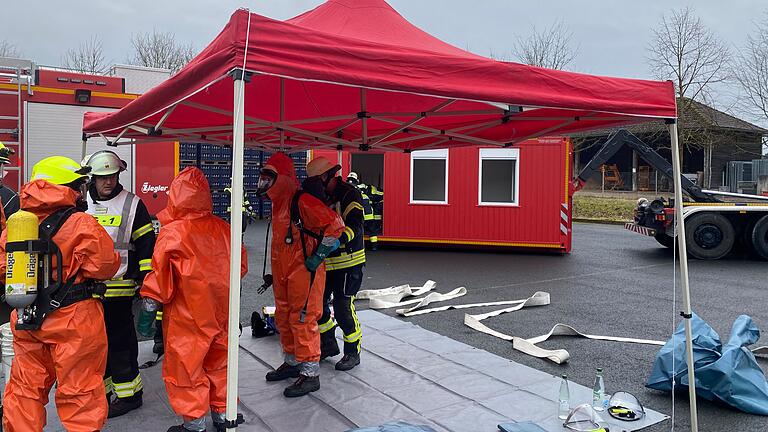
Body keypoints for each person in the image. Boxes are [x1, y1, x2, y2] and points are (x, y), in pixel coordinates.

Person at [0, 156, 120, 431]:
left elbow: (3, 266)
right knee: (80, 392)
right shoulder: (81, 224)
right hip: (74, 321)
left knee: (24, 389)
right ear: (66, 187)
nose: (81, 191)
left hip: (28, 317)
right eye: (78, 185)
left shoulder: (17, 224)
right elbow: (105, 266)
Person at [137, 167, 248, 432]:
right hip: (222, 312)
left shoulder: (173, 233)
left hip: (187, 315)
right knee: (220, 361)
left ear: (175, 196)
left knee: (187, 367)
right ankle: (223, 415)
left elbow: (159, 279)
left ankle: (195, 423)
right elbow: (240, 267)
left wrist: (147, 313)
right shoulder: (225, 229)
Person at [257, 153, 344, 397]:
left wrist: (318, 257)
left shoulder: (302, 201)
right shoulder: (280, 204)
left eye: (268, 178)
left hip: (305, 271)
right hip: (286, 272)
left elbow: (335, 225)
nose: (264, 184)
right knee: (284, 317)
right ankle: (293, 363)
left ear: (281, 179)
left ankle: (310, 373)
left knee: (303, 320)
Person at [82, 150, 156, 417]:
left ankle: (129, 396)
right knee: (94, 346)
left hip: (120, 289)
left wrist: (146, 282)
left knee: (121, 344)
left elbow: (147, 246)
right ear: (93, 178)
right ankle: (102, 392)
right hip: (86, 292)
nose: (108, 182)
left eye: (112, 176)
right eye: (102, 177)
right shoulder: (81, 202)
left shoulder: (132, 204)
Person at [307, 159, 367, 371]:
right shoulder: (320, 197)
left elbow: (357, 226)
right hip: (327, 262)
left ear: (328, 177)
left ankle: (352, 352)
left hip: (349, 262)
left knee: (343, 308)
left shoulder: (349, 194)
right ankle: (329, 344)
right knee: (318, 306)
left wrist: (337, 242)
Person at [346, 172, 380, 249]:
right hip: (369, 215)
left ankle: (358, 246)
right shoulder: (363, 190)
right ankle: (374, 246)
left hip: (360, 215)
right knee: (372, 231)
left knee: (357, 230)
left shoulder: (350, 191)